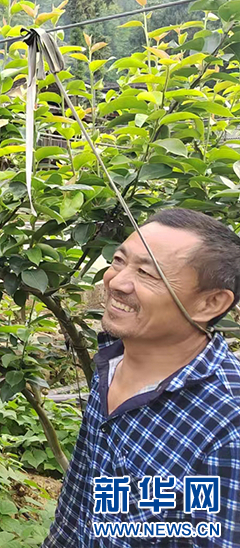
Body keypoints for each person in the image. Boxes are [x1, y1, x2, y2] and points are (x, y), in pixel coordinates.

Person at [44, 208, 240, 547]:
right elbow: (80, 504)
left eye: (148, 274)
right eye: (119, 260)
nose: (116, 282)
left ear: (210, 302)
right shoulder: (115, 358)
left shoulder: (226, 426)